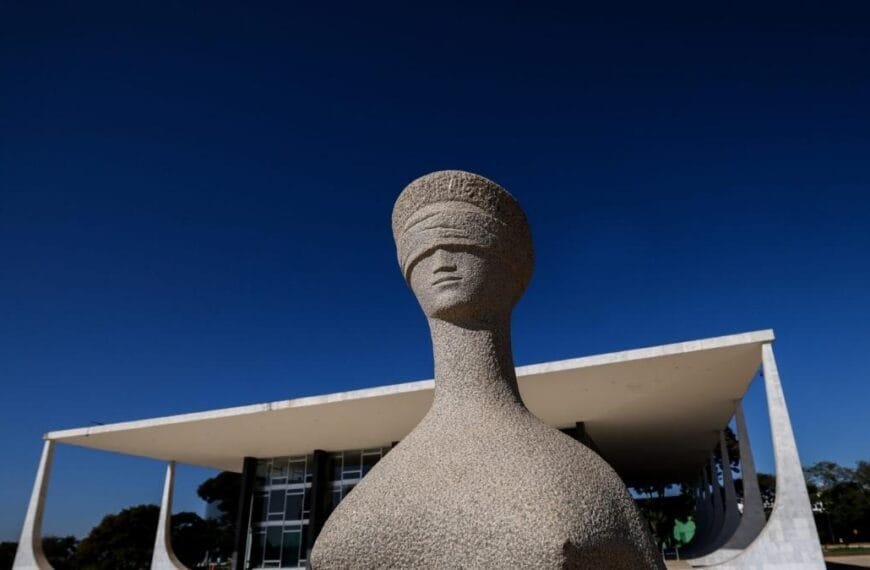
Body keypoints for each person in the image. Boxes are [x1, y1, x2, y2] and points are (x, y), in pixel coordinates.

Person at [311, 170, 663, 569]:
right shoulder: (379, 490)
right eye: (424, 253)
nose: (440, 263)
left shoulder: (585, 477)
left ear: (507, 263)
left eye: (460, 244)